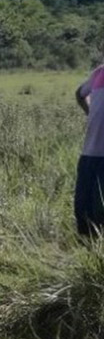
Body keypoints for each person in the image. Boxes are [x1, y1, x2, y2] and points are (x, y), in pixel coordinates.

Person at [73, 56, 104, 236]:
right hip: (89, 153)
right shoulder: (99, 72)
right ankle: (87, 253)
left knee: (99, 209)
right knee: (82, 207)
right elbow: (79, 94)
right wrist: (91, 114)